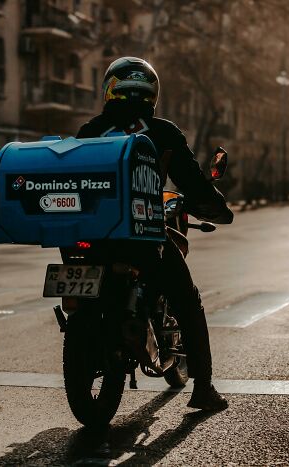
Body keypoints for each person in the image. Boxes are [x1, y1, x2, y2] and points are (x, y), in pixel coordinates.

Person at [77, 57, 234, 411]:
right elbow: (193, 184)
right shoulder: (162, 132)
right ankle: (203, 388)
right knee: (187, 299)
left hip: (91, 236)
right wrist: (217, 207)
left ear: (109, 88)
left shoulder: (90, 131)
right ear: (152, 92)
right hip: (142, 236)